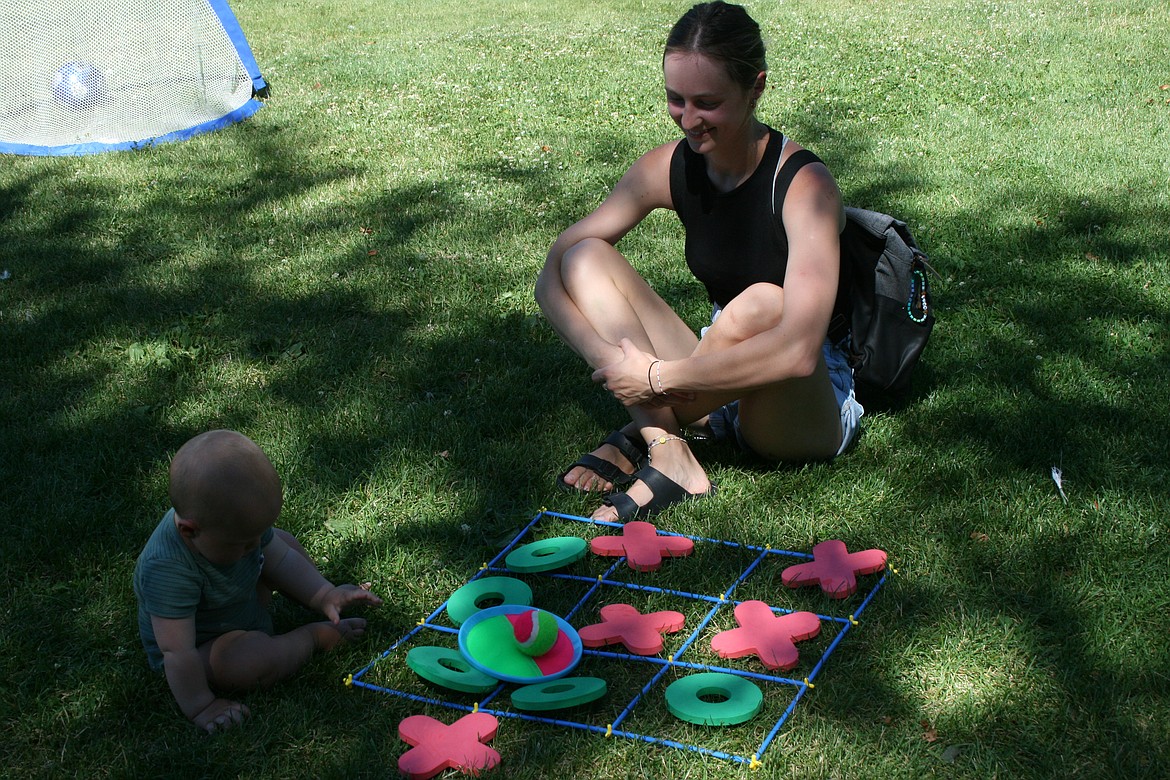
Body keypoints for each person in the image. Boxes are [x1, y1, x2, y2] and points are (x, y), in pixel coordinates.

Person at [535, 1, 863, 522]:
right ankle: (669, 450)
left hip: (803, 397)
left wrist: (657, 379)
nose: (688, 120)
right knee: (582, 257)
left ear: (755, 88)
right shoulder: (667, 167)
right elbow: (551, 272)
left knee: (761, 304)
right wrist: (614, 362)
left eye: (707, 102)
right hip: (714, 368)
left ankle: (642, 431)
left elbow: (799, 351)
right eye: (675, 99)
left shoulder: (806, 187)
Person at [133, 429, 383, 733]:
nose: (253, 546)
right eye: (243, 543)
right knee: (244, 663)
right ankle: (312, 637)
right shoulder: (168, 569)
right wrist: (202, 705)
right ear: (189, 531)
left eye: (257, 536)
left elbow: (278, 558)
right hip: (208, 645)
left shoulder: (227, 525)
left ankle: (325, 607)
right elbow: (178, 652)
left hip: (240, 602)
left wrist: (324, 593)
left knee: (282, 543)